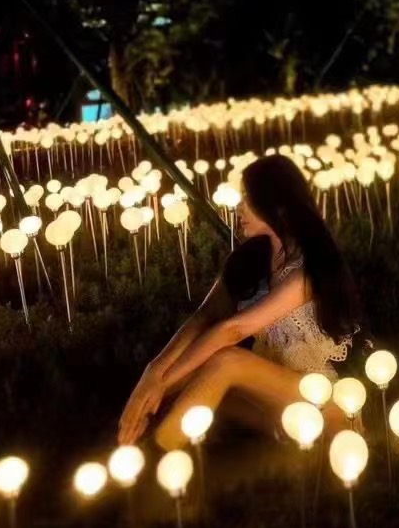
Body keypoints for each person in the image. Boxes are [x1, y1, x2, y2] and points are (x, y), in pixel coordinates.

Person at [118, 154, 362, 450]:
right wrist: (154, 373)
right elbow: (204, 317)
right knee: (195, 371)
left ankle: (158, 454)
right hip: (268, 399)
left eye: (248, 197)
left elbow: (233, 330)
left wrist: (161, 383)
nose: (239, 207)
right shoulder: (250, 260)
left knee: (226, 360)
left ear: (279, 205)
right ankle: (130, 442)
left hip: (318, 398)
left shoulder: (309, 270)